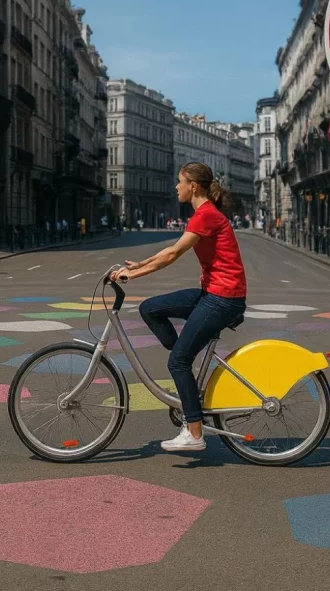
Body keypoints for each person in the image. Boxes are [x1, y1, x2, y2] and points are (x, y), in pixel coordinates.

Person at [109, 162, 247, 452]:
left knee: (178, 362)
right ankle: (186, 366)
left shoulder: (206, 214)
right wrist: (141, 263)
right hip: (214, 293)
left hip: (224, 298)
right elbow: (171, 248)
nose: (176, 187)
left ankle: (194, 432)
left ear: (193, 186)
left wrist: (131, 276)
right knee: (150, 308)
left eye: (179, 182)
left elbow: (173, 254)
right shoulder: (203, 214)